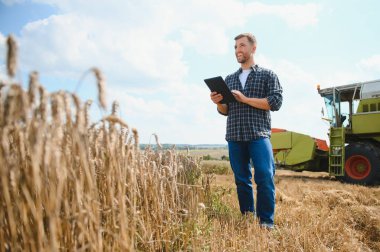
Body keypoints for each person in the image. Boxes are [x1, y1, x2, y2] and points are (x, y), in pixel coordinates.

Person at [210, 33, 283, 228]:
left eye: (242, 46)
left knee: (265, 177)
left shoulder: (268, 75)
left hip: (258, 135)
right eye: (235, 47)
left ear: (253, 48)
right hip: (234, 135)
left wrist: (245, 99)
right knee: (242, 180)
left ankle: (266, 223)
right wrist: (218, 103)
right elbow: (225, 111)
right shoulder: (229, 79)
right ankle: (247, 219)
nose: (237, 50)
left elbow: (275, 103)